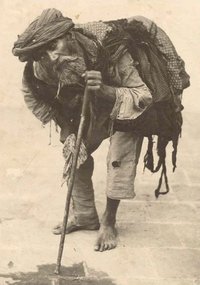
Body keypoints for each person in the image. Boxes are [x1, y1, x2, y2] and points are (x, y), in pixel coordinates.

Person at [12, 8, 189, 252]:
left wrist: (104, 90)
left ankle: (109, 221)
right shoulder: (39, 68)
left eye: (54, 45)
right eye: (43, 52)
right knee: (76, 154)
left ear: (70, 36)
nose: (52, 57)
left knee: (119, 157)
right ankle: (85, 215)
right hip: (88, 110)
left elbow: (142, 95)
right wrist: (66, 131)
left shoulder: (112, 49)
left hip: (126, 106)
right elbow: (31, 95)